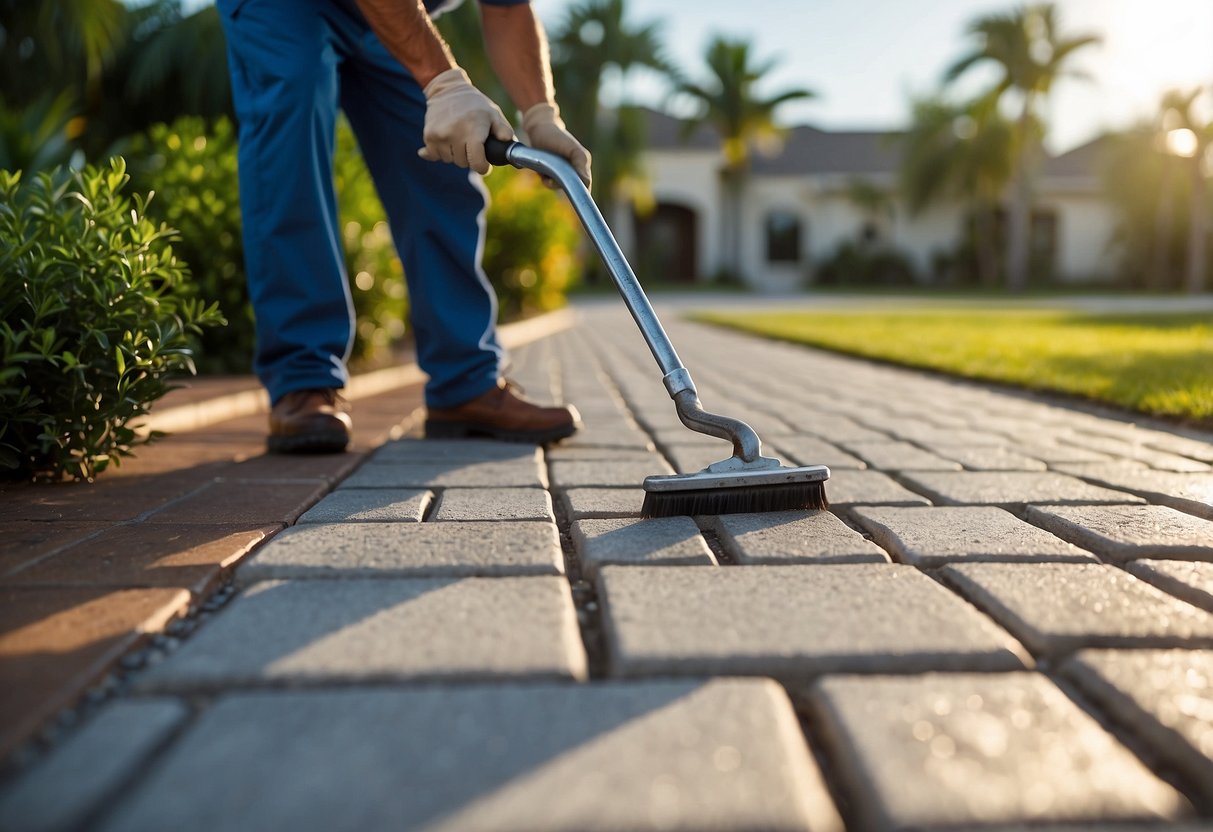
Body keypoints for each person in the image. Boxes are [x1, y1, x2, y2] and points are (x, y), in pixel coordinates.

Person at [214, 0, 590, 452]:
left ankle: (465, 383)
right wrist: (445, 82)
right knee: (292, 149)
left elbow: (508, 9)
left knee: (446, 158)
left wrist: (541, 116)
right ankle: (302, 381)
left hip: (390, 14)